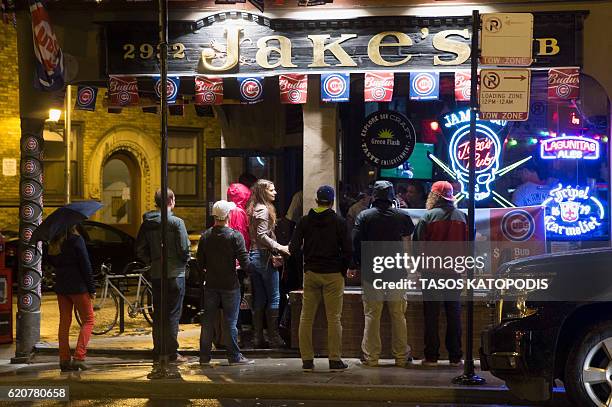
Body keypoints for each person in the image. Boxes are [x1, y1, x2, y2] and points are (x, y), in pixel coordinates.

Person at [351, 180, 415, 367]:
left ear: (374, 196)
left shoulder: (364, 216)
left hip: (372, 273)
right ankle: (401, 357)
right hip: (396, 272)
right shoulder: (402, 216)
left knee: (372, 315)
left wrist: (357, 264)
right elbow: (407, 245)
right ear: (392, 196)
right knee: (398, 315)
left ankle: (371, 357)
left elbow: (355, 242)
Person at [289, 185, 352, 372]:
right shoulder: (339, 222)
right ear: (332, 202)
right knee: (334, 318)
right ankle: (334, 360)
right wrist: (342, 269)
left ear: (316, 200)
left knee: (306, 317)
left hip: (311, 273)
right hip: (333, 274)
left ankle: (307, 360)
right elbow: (348, 250)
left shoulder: (304, 221)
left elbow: (293, 248)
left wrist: (307, 260)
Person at [413, 181, 466, 367]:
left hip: (431, 273)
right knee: (454, 314)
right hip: (453, 273)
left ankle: (431, 356)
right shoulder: (463, 217)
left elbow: (416, 245)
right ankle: (455, 356)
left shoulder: (427, 217)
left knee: (431, 315)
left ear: (434, 196)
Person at [136, 188, 191, 366]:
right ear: (172, 200)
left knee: (158, 313)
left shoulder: (147, 223)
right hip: (175, 273)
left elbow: (139, 249)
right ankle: (171, 353)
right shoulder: (176, 223)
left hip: (157, 274)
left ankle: (158, 349)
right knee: (173, 314)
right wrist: (182, 261)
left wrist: (152, 261)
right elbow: (184, 249)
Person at [197, 200, 254, 366]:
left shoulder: (205, 236)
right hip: (230, 284)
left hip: (211, 284)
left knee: (208, 322)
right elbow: (245, 262)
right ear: (228, 215)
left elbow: (200, 263)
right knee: (231, 322)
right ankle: (234, 356)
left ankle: (204, 357)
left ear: (215, 216)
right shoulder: (235, 236)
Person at [246, 179, 291, 348]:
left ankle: (258, 337)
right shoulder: (263, 209)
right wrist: (280, 247)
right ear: (263, 192)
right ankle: (273, 336)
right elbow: (262, 235)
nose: (275, 192)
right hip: (264, 257)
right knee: (274, 298)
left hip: (254, 255)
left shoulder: (253, 208)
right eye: (272, 190)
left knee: (260, 299)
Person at [47, 225, 95, 371]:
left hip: (62, 287)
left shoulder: (55, 243)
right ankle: (79, 357)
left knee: (64, 323)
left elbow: (52, 263)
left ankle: (64, 359)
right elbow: (85, 264)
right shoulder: (76, 240)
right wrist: (91, 288)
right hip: (78, 287)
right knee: (89, 320)